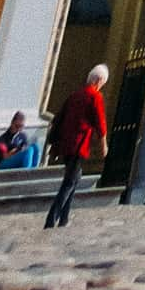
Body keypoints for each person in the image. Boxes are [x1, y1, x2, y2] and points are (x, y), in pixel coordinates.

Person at [43, 65, 108, 229]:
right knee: (70, 182)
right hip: (79, 145)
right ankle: (52, 218)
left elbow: (59, 117)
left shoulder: (74, 95)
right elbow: (100, 123)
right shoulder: (94, 96)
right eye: (102, 82)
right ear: (98, 80)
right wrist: (103, 144)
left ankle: (64, 218)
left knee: (75, 178)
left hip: (65, 144)